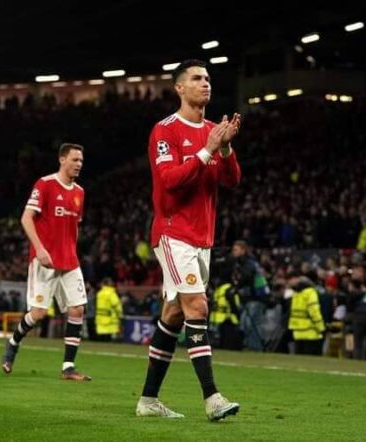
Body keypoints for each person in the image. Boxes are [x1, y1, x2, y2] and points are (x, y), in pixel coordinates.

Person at [136, 59, 241, 421]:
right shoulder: (164, 130)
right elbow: (169, 181)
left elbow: (232, 181)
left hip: (203, 238)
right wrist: (208, 150)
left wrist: (225, 148)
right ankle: (212, 398)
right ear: (179, 88)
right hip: (172, 232)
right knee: (197, 307)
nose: (205, 84)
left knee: (175, 313)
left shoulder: (214, 130)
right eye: (197, 78)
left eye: (208, 78)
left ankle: (148, 400)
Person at [1, 143, 91, 381]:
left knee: (77, 309)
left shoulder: (80, 192)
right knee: (39, 314)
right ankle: (13, 342)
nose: (79, 164)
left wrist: (72, 250)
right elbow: (26, 218)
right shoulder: (46, 184)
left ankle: (68, 367)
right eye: (74, 159)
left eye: (81, 160)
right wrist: (39, 249)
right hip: (44, 260)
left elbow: (74, 229)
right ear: (62, 160)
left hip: (69, 261)